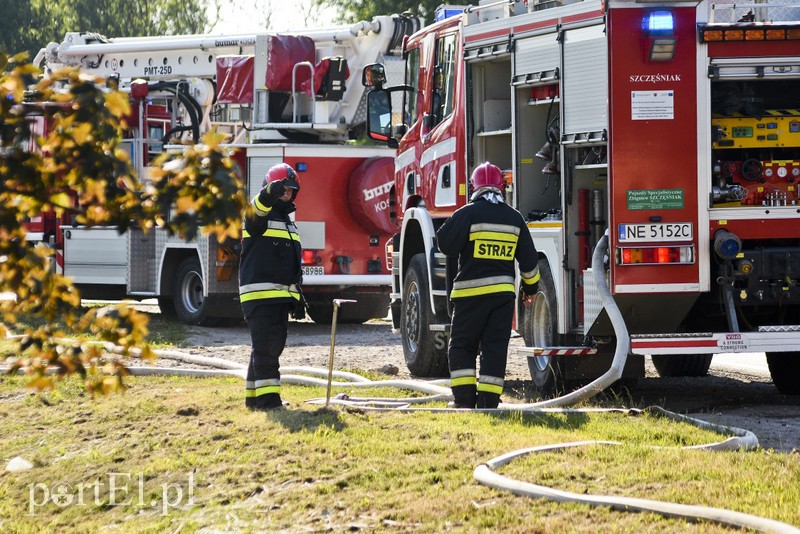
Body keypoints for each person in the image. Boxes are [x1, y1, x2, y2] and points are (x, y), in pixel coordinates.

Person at [436, 162, 540, 409]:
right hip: (502, 299)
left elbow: (444, 243)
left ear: (474, 186)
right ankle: (488, 403)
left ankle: (463, 401)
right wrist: (530, 290)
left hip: (469, 296)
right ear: (501, 187)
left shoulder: (468, 213)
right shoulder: (514, 218)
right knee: (495, 349)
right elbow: (530, 262)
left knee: (462, 346)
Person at [239, 163, 302, 410]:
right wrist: (267, 194)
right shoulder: (259, 217)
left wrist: (297, 298)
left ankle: (253, 399)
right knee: (266, 350)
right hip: (260, 296)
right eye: (283, 190)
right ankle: (269, 401)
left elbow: (291, 264)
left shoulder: (287, 222)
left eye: (290, 191)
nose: (286, 195)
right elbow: (255, 210)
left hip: (278, 297)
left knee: (268, 347)